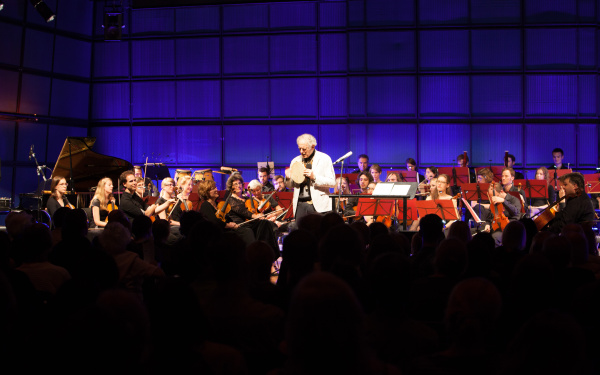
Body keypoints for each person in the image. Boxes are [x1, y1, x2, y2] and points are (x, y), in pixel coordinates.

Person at [284, 133, 336, 223]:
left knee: (319, 233)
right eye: (299, 148)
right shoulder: (295, 161)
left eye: (304, 149)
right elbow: (290, 186)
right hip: (300, 204)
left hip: (319, 205)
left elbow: (332, 182)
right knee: (300, 233)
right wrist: (288, 178)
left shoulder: (324, 158)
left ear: (312, 146)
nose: (301, 151)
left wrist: (314, 177)